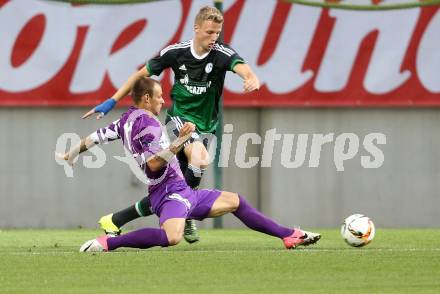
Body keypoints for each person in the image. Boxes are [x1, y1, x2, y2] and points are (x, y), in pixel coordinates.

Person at [61, 77, 320, 252]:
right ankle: (108, 243)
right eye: (160, 97)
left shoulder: (123, 122)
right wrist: (181, 140)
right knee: (172, 237)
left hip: (182, 190)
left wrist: (70, 154)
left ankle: (289, 235)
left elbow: (93, 139)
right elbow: (153, 164)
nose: (163, 101)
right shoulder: (148, 125)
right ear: (147, 99)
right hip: (168, 192)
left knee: (235, 201)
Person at [82, 6, 260, 243]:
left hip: (206, 127)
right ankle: (186, 216)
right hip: (179, 121)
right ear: (196, 28)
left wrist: (251, 79)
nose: (213, 38)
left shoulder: (221, 53)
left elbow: (244, 69)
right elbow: (140, 75)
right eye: (209, 32)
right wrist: (112, 101)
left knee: (172, 188)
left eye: (217, 33)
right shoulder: (175, 52)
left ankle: (116, 219)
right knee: (200, 160)